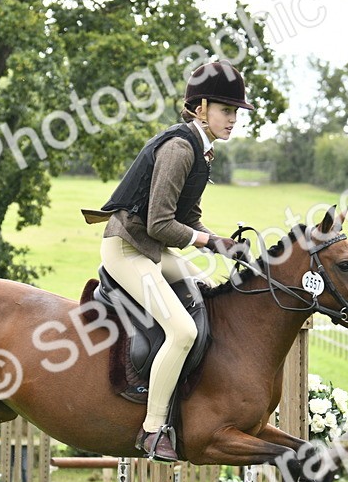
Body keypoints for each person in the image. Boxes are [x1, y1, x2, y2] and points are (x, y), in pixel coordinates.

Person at [91, 61, 252, 461]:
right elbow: (161, 223)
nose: (232, 120)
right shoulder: (180, 148)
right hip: (128, 249)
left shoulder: (203, 149)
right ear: (200, 109)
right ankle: (152, 430)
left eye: (235, 113)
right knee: (181, 330)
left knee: (207, 289)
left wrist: (219, 243)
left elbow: (188, 217)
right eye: (225, 111)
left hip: (152, 248)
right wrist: (208, 241)